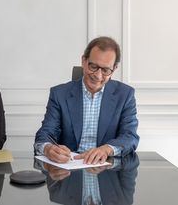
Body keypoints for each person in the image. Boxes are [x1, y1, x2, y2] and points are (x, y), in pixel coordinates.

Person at [34, 36, 139, 164]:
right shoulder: (59, 94)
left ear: (114, 69)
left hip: (107, 170)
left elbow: (130, 137)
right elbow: (45, 134)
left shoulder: (125, 95)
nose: (98, 75)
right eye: (93, 66)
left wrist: (107, 149)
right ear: (84, 61)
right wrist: (48, 148)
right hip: (69, 169)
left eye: (106, 70)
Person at [44, 153, 139, 205]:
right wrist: (48, 148)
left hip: (111, 158)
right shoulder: (123, 201)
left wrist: (109, 149)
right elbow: (47, 134)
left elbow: (129, 136)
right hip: (71, 158)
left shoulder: (58, 198)